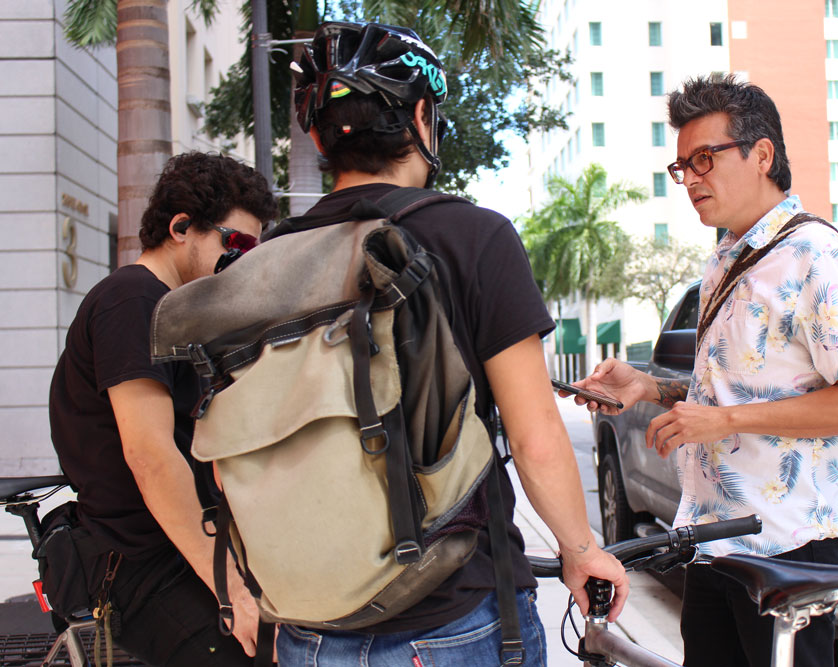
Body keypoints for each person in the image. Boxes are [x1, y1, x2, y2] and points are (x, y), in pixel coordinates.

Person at [271, 21, 629, 666]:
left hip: (309, 623)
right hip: (455, 610)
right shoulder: (475, 237)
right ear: (418, 117)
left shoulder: (272, 257)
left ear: (319, 135)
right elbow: (534, 433)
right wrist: (581, 550)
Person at [571, 74, 838, 667]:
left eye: (704, 159)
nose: (690, 179)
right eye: (681, 166)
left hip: (785, 549)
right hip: (712, 538)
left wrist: (726, 420)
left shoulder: (814, 254)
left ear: (762, 154)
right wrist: (647, 388)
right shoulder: (727, 256)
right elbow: (724, 393)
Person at [48, 152, 278, 666]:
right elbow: (151, 456)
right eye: (234, 243)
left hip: (183, 550)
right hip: (141, 564)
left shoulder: (176, 312)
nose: (239, 262)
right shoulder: (131, 301)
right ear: (181, 227)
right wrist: (232, 593)